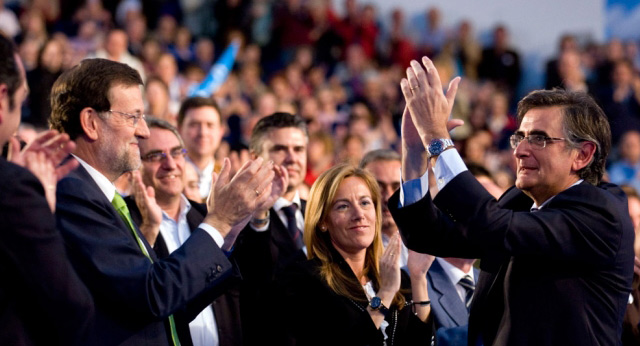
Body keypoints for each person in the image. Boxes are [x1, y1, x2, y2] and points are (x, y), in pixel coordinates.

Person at [391, 57, 634, 345]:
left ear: (582, 155)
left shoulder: (602, 211)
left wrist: (437, 139)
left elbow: (490, 223)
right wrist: (415, 152)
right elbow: (426, 235)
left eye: (540, 139)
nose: (520, 151)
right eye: (520, 137)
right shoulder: (519, 201)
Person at [49, 58, 281, 346]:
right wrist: (218, 220)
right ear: (91, 123)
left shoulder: (93, 194)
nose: (143, 130)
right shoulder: (71, 192)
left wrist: (229, 230)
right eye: (133, 117)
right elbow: (152, 295)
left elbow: (168, 306)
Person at [273, 164, 434, 345]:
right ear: (323, 221)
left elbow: (422, 342)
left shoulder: (398, 278)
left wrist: (419, 278)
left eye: (365, 203)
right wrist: (384, 295)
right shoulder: (303, 280)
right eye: (343, 207)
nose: (359, 214)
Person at [0, 34, 93, 345]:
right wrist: (40, 206)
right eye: (22, 97)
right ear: (2, 98)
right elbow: (73, 308)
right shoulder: (15, 190)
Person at [124, 117, 246, 346]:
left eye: (176, 153)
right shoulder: (123, 221)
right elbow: (141, 299)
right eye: (155, 156)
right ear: (134, 167)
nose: (170, 164)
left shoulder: (208, 216)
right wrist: (149, 229)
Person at [232, 112, 309, 345]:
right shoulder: (237, 218)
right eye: (280, 149)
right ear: (255, 157)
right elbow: (254, 282)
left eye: (298, 149)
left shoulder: (322, 214)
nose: (291, 158)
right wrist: (260, 214)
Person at [359, 149, 408, 266]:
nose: (388, 197)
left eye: (396, 187)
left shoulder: (427, 243)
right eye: (378, 186)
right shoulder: (350, 251)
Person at [177, 96, 225, 200]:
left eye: (210, 125)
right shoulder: (169, 176)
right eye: (194, 125)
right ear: (179, 129)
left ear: (221, 131)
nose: (203, 133)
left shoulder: (230, 179)